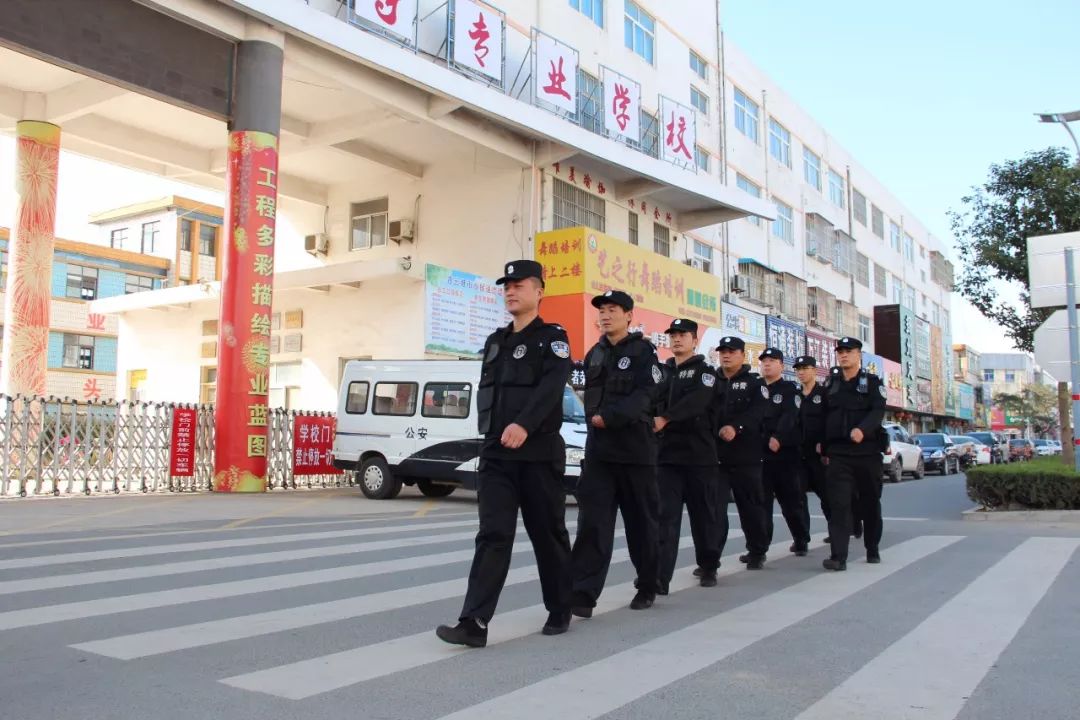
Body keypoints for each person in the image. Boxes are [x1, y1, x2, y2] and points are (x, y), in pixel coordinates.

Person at [436, 260, 573, 647]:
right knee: (493, 534)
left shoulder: (553, 338)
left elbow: (551, 387)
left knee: (547, 533)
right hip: (497, 453)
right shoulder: (496, 341)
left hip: (539, 454)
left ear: (539, 291)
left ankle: (560, 607)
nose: (511, 291)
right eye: (506, 286)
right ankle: (474, 622)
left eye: (519, 285)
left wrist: (525, 424)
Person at [571, 289, 664, 614]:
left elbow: (646, 395)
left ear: (628, 315)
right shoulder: (594, 354)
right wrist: (593, 419)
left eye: (613, 309)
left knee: (641, 524)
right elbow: (588, 397)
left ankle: (648, 584)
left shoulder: (643, 353)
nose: (605, 315)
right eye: (602, 310)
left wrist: (608, 418)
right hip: (599, 452)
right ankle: (582, 594)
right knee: (593, 523)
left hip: (635, 451)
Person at [654, 319, 722, 591]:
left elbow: (697, 402)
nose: (677, 339)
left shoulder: (705, 373)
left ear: (695, 340)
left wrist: (666, 418)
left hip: (699, 457)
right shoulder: (663, 372)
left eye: (683, 335)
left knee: (703, 516)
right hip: (667, 457)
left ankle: (708, 566)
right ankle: (659, 578)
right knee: (664, 519)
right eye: (673, 335)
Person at [820, 336, 887, 571]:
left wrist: (863, 429)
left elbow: (878, 410)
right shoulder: (830, 384)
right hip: (839, 455)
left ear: (859, 354)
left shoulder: (872, 382)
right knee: (839, 506)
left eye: (849, 351)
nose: (844, 355)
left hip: (867, 454)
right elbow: (822, 416)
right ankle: (838, 556)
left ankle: (872, 548)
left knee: (869, 503)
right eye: (840, 351)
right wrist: (821, 443)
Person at [710, 336, 770, 570]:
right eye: (723, 351)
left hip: (747, 457)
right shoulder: (712, 381)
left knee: (751, 506)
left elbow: (758, 412)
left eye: (731, 351)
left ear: (742, 356)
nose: (726, 355)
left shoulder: (756, 383)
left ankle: (757, 550)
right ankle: (711, 559)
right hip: (716, 457)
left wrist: (736, 427)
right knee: (714, 510)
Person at [758, 348, 811, 557]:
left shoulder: (790, 390)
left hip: (785, 456)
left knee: (791, 501)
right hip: (761, 454)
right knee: (761, 504)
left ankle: (801, 538)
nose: (767, 364)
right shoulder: (757, 389)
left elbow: (790, 417)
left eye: (772, 361)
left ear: (781, 365)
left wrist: (778, 437)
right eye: (764, 361)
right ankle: (760, 548)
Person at [794, 355, 829, 538]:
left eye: (805, 368)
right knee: (798, 498)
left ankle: (837, 530)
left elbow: (830, 422)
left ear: (814, 370)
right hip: (799, 454)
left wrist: (824, 444)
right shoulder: (795, 396)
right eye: (798, 369)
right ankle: (802, 537)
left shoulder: (824, 394)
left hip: (819, 454)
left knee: (827, 495)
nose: (801, 372)